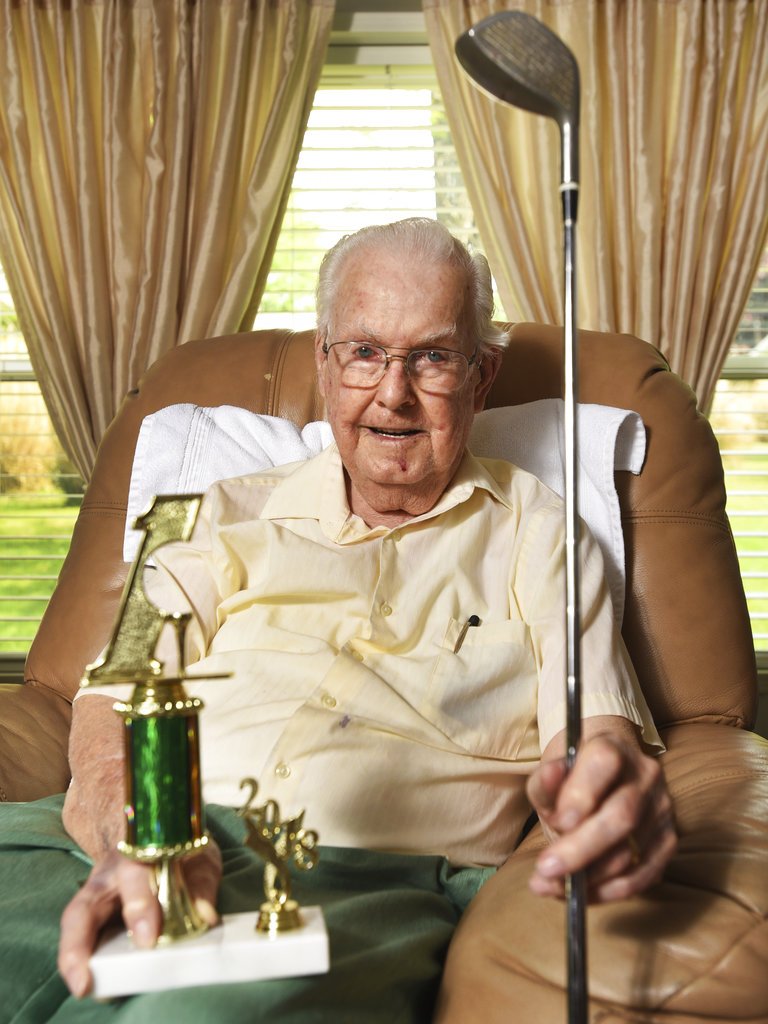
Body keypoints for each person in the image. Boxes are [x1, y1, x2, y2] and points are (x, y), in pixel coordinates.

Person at [53, 218, 675, 1018]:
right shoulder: (206, 513)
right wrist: (141, 840)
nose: (393, 392)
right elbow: (112, 696)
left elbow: (594, 738)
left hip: (356, 882)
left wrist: (609, 789)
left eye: (433, 357)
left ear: (481, 378)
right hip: (135, 840)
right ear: (324, 360)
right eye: (365, 352)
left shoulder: (544, 536)